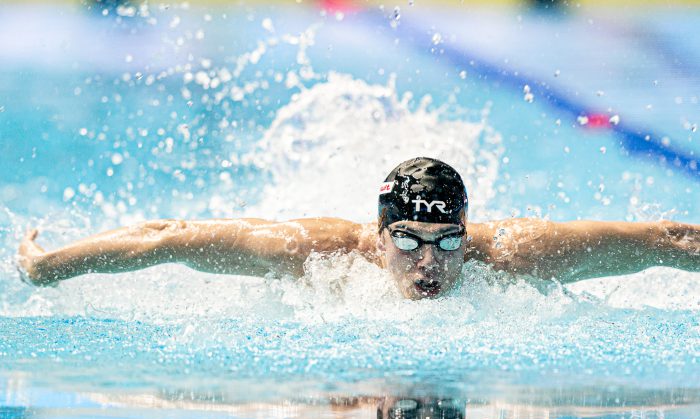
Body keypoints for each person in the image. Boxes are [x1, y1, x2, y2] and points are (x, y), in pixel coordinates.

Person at [18, 157, 700, 299]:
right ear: (378, 239)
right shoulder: (308, 251)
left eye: (448, 244)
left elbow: (668, 241)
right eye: (406, 241)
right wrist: (48, 267)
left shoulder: (517, 253)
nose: (428, 264)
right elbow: (165, 236)